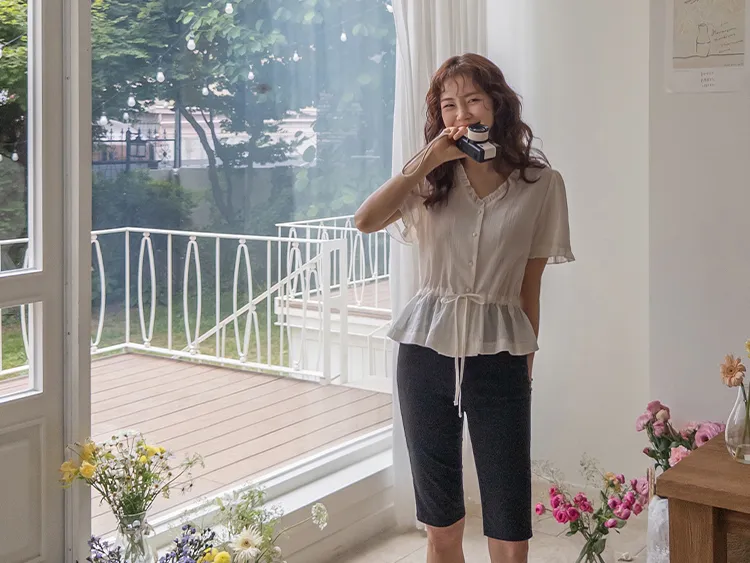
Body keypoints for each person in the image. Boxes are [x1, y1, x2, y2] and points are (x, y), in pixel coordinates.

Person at [354, 53, 574, 563]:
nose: (461, 114)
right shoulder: (431, 180)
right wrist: (427, 160)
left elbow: (530, 286)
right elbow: (365, 220)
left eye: (472, 99)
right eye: (448, 105)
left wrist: (525, 367)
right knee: (442, 522)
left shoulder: (542, 185)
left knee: (510, 524)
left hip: (501, 356)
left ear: (497, 105)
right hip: (425, 354)